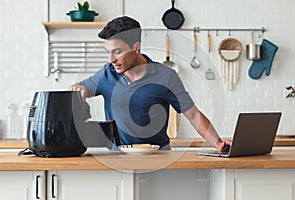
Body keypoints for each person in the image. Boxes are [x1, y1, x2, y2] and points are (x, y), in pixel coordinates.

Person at [68, 16, 231, 151]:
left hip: (158, 157)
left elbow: (193, 114)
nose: (111, 59)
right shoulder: (106, 74)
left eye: (118, 52)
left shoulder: (166, 76)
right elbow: (78, 90)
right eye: (108, 52)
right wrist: (78, 89)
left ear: (136, 47)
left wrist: (217, 143)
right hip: (118, 158)